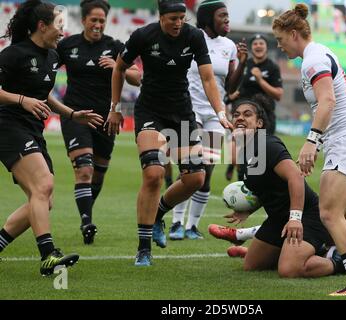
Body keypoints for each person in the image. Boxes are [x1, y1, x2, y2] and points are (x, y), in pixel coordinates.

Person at [106, 0, 232, 266]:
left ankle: (158, 214)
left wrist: (220, 111)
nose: (178, 24)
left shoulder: (194, 36)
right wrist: (115, 108)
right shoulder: (143, 35)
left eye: (182, 18)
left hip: (182, 113)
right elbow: (119, 68)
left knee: (196, 179)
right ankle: (143, 249)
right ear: (161, 17)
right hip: (150, 111)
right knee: (154, 174)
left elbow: (209, 78)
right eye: (172, 18)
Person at [272, 4, 346, 296]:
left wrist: (311, 140)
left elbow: (328, 102)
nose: (279, 47)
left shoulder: (313, 60)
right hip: (345, 143)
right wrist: (319, 143)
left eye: (281, 40)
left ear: (294, 34)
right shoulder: (318, 53)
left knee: (329, 214)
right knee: (342, 216)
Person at [0, 0, 103, 275]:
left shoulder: (53, 56)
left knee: (44, 200)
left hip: (32, 128)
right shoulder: (13, 54)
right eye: (58, 25)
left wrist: (71, 114)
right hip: (7, 125)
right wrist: (21, 100)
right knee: (43, 187)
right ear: (41, 26)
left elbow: (43, 93)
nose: (62, 31)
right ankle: (48, 256)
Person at [210, 171, 346, 285]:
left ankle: (239, 235)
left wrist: (341, 229)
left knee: (325, 225)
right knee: (322, 222)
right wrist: (342, 194)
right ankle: (245, 243)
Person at [220, 99, 343, 279]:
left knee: (289, 270)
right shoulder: (244, 151)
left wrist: (295, 218)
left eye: (247, 115)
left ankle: (338, 260)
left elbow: (296, 177)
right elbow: (266, 188)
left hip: (307, 215)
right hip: (278, 218)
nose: (240, 118)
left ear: (259, 123)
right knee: (252, 265)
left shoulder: (267, 144)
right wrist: (248, 210)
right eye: (236, 114)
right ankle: (305, 250)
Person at [56, 0, 141, 245]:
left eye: (102, 20)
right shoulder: (67, 45)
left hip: (107, 118)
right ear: (83, 20)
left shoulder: (115, 46)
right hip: (75, 116)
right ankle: (86, 222)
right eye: (93, 19)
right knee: (84, 169)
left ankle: (86, 214)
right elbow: (47, 70)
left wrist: (119, 67)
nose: (98, 24)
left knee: (98, 176)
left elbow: (136, 78)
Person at [169, 0, 248, 241]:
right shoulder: (190, 38)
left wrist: (242, 63)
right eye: (222, 15)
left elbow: (231, 86)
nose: (227, 19)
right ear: (207, 19)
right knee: (190, 167)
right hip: (189, 109)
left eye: (227, 15)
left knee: (208, 167)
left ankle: (192, 226)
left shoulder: (229, 46)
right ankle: (175, 223)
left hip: (216, 113)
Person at [225, 33, 282, 181]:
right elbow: (235, 86)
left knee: (256, 158)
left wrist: (260, 79)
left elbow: (278, 95)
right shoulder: (245, 65)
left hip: (264, 117)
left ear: (266, 47)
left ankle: (252, 185)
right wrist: (231, 95)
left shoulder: (272, 67)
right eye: (255, 43)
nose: (258, 46)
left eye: (261, 43)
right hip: (243, 116)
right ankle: (240, 183)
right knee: (234, 156)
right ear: (251, 48)